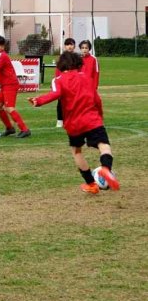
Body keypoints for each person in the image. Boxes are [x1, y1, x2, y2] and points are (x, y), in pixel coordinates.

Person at [28, 51, 120, 194]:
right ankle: (106, 169)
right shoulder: (87, 78)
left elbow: (56, 94)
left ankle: (91, 184)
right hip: (92, 119)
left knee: (77, 151)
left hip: (74, 123)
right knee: (104, 146)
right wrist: (100, 116)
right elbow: (97, 99)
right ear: (78, 63)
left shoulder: (58, 80)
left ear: (61, 65)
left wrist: (38, 101)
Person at [53, 38, 76, 127]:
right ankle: (60, 120)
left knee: (74, 103)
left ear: (74, 46)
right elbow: (58, 71)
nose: (69, 46)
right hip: (63, 83)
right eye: (67, 44)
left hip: (73, 84)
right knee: (60, 103)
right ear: (65, 46)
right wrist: (57, 83)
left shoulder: (76, 58)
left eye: (71, 44)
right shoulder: (61, 58)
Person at [79, 39, 103, 116]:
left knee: (93, 102)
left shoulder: (93, 59)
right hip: (80, 85)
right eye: (82, 48)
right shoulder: (78, 59)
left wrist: (95, 85)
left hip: (90, 85)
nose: (84, 50)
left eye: (86, 48)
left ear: (89, 49)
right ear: (80, 49)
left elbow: (96, 73)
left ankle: (97, 116)